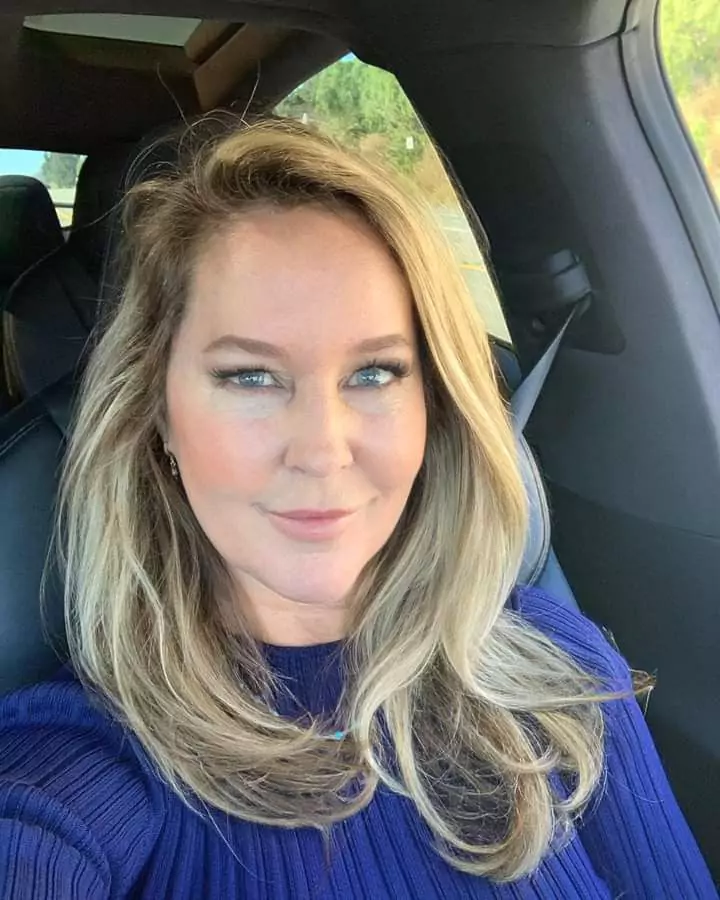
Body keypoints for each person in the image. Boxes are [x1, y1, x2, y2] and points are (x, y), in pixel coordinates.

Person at [0, 116, 715, 900]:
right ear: (159, 413)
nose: (322, 449)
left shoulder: (553, 660)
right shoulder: (83, 756)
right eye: (250, 376)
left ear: (433, 405)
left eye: (375, 373)